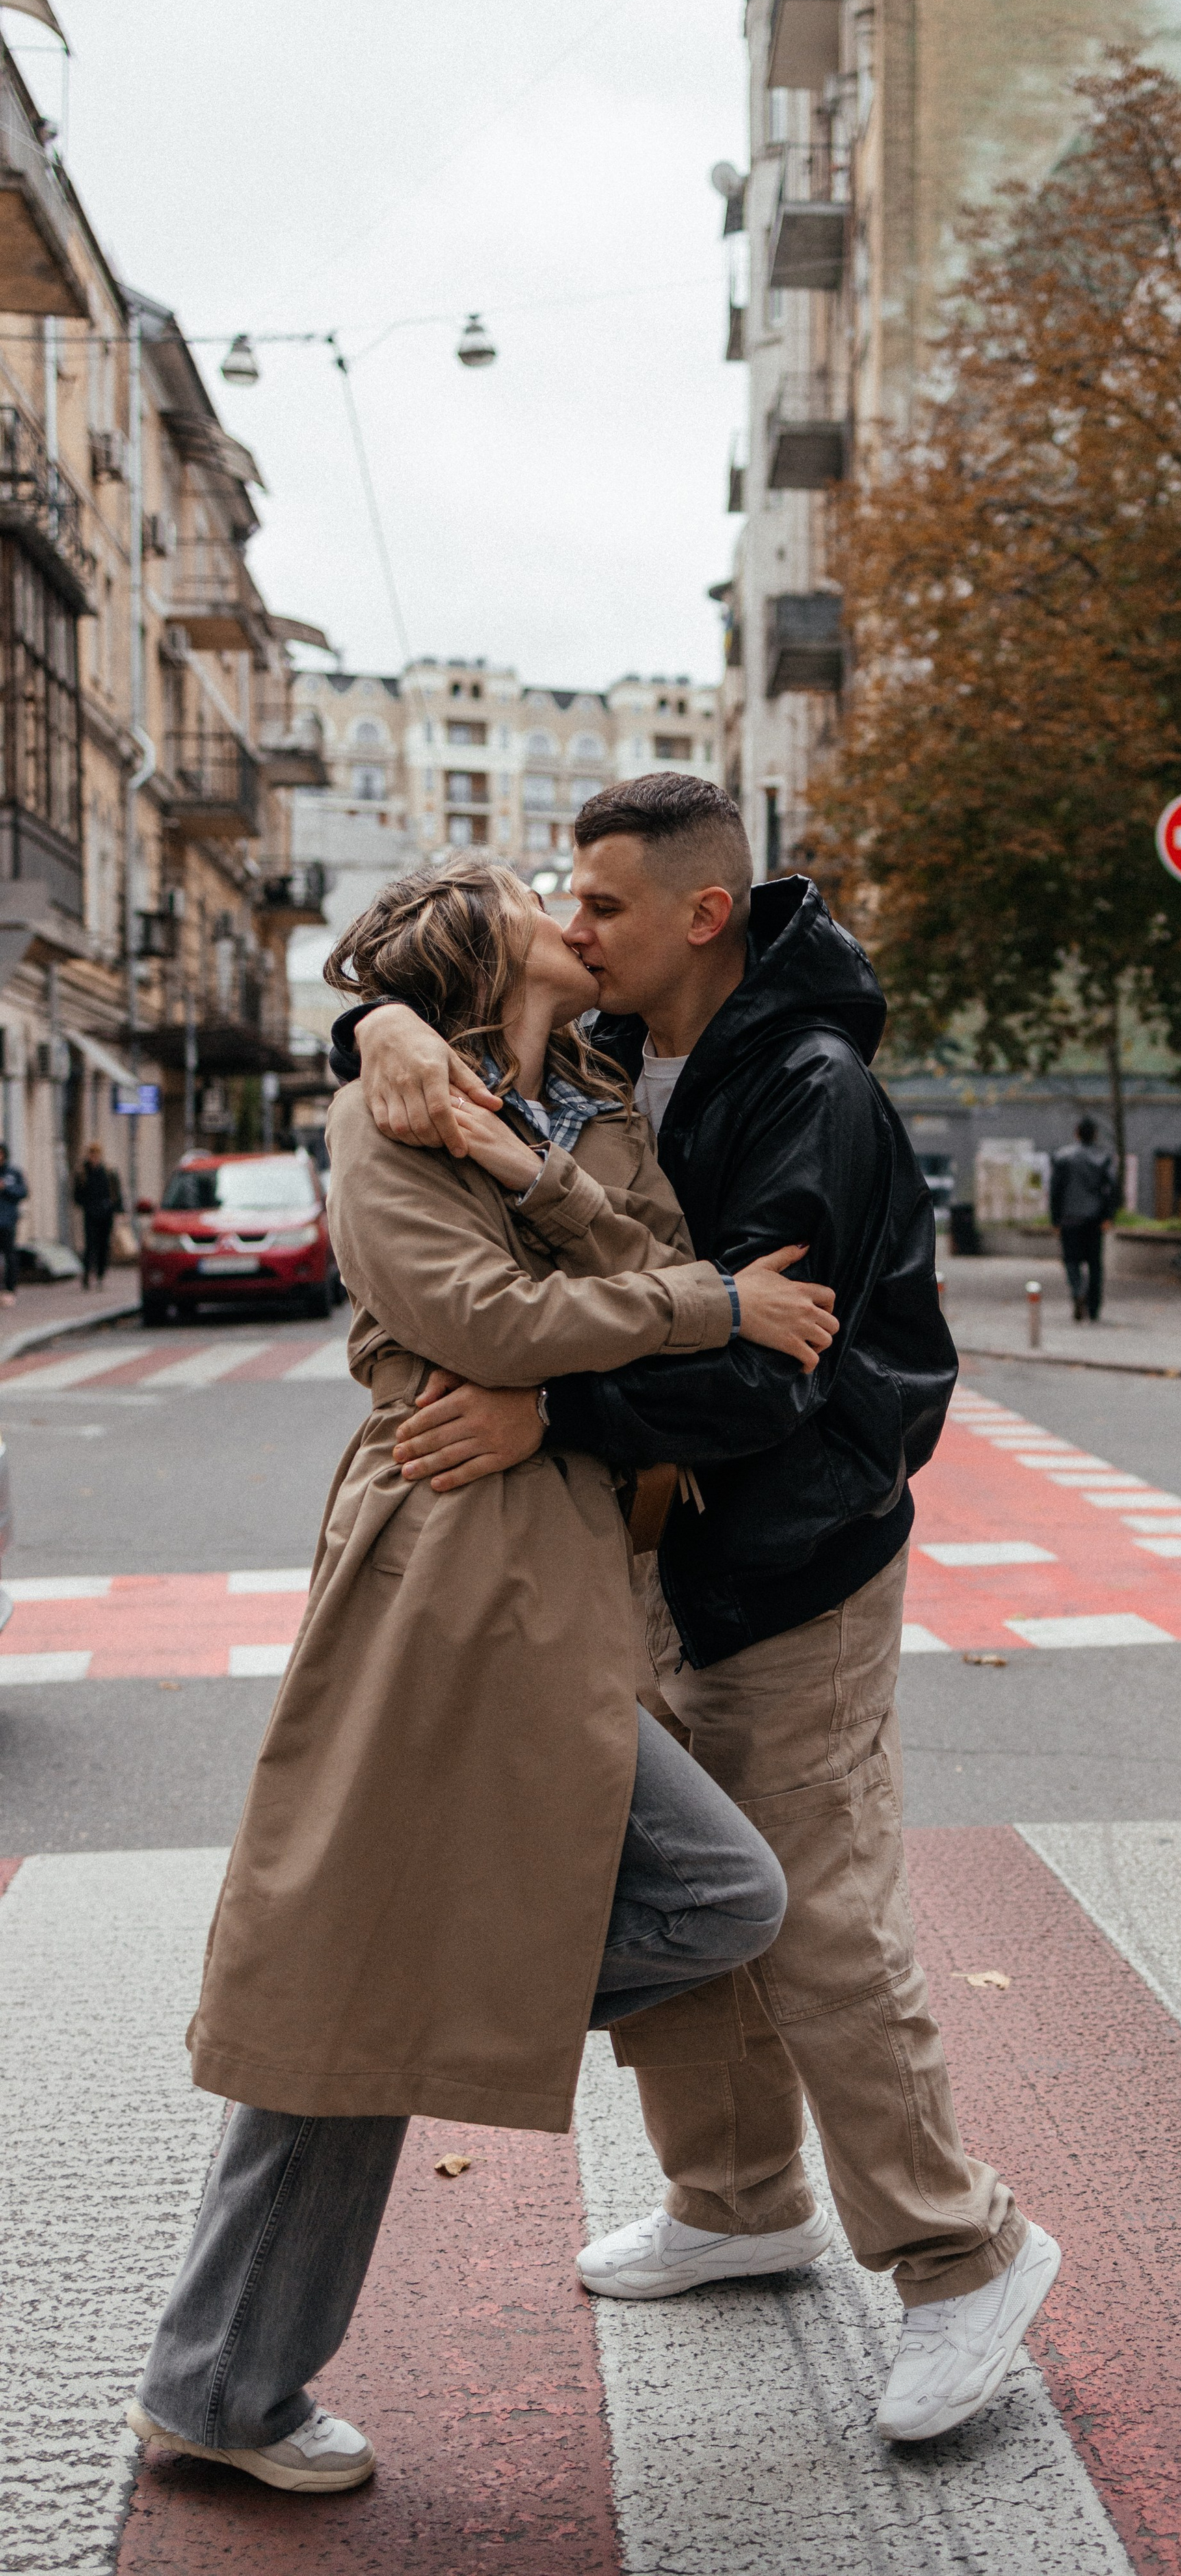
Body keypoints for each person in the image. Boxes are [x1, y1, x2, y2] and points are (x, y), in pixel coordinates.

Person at [339, 773, 1060, 2447]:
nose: (572, 924)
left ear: (701, 911)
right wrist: (375, 1022)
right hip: (646, 1544)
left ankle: (962, 2254)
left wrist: (546, 1413)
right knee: (667, 1881)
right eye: (566, 900)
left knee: (813, 1913)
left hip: (791, 1548)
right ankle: (737, 2200)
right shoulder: (606, 1049)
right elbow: (432, 1008)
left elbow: (768, 1361)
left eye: (600, 901)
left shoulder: (808, 1088)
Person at [126, 853, 840, 2497]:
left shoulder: (588, 1101)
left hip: (562, 1555)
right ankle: (216, 2384)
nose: (570, 914)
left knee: (702, 1896)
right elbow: (483, 1321)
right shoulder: (385, 1112)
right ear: (477, 941)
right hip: (442, 1555)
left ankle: (242, 2338)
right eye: (538, 894)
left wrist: (560, 1188)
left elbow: (638, 1263)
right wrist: (701, 1302)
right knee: (350, 1978)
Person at [1048, 1116, 1119, 1323]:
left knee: (1071, 1261)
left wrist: (1055, 1219)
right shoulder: (1104, 1157)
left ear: (1076, 1133)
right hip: (1094, 1219)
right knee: (1095, 1264)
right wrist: (1108, 1216)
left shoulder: (1063, 1157)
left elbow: (1056, 1190)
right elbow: (1112, 1189)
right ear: (1095, 1134)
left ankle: (1078, 1291)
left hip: (1069, 1218)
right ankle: (1094, 1307)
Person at [74, 1142, 122, 1289]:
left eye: (96, 1155)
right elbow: (77, 1195)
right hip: (91, 1214)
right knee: (90, 1245)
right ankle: (87, 1274)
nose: (94, 1158)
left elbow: (116, 1193)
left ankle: (100, 1274)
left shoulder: (108, 1172)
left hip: (106, 1214)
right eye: (92, 1155)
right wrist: (87, 1205)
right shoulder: (83, 1173)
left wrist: (117, 1209)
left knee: (103, 1245)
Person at [0, 1142, 27, 1306]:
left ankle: (10, 1289)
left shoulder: (13, 1173)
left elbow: (23, 1192)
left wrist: (5, 1188)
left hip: (8, 1221)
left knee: (10, 1256)